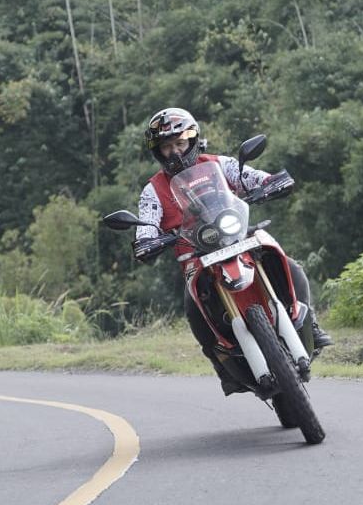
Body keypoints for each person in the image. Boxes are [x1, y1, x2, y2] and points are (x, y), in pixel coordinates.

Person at [132, 107, 332, 396]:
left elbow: (254, 177)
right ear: (158, 152)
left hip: (239, 239)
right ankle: (222, 364)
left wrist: (271, 183)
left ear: (193, 141)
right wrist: (146, 241)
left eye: (180, 143)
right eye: (166, 147)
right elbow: (146, 227)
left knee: (290, 266)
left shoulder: (220, 164)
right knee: (192, 307)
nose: (175, 152)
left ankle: (309, 324)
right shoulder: (152, 191)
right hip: (197, 259)